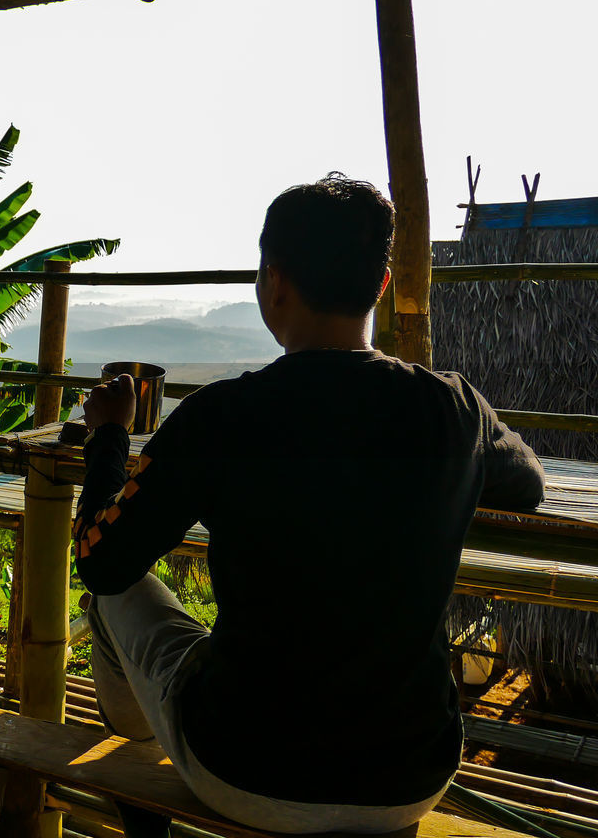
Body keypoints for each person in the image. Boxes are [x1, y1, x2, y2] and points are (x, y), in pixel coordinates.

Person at [73, 173, 546, 837]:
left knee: (113, 598)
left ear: (272, 281)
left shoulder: (222, 415)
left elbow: (100, 560)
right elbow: (525, 484)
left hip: (245, 770)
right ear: (379, 287)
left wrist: (109, 436)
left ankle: (140, 765)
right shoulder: (454, 408)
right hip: (412, 776)